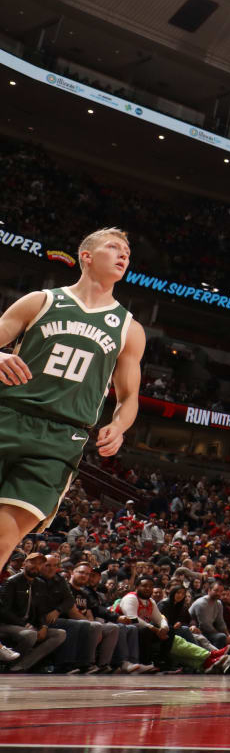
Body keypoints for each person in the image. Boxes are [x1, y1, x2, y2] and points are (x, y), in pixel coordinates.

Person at [0, 228, 146, 568]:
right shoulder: (41, 301)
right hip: (7, 414)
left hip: (60, 439)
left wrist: (120, 426)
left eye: (128, 252)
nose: (124, 255)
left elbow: (128, 397)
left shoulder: (129, 328)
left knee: (5, 537)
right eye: (114, 247)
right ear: (87, 256)